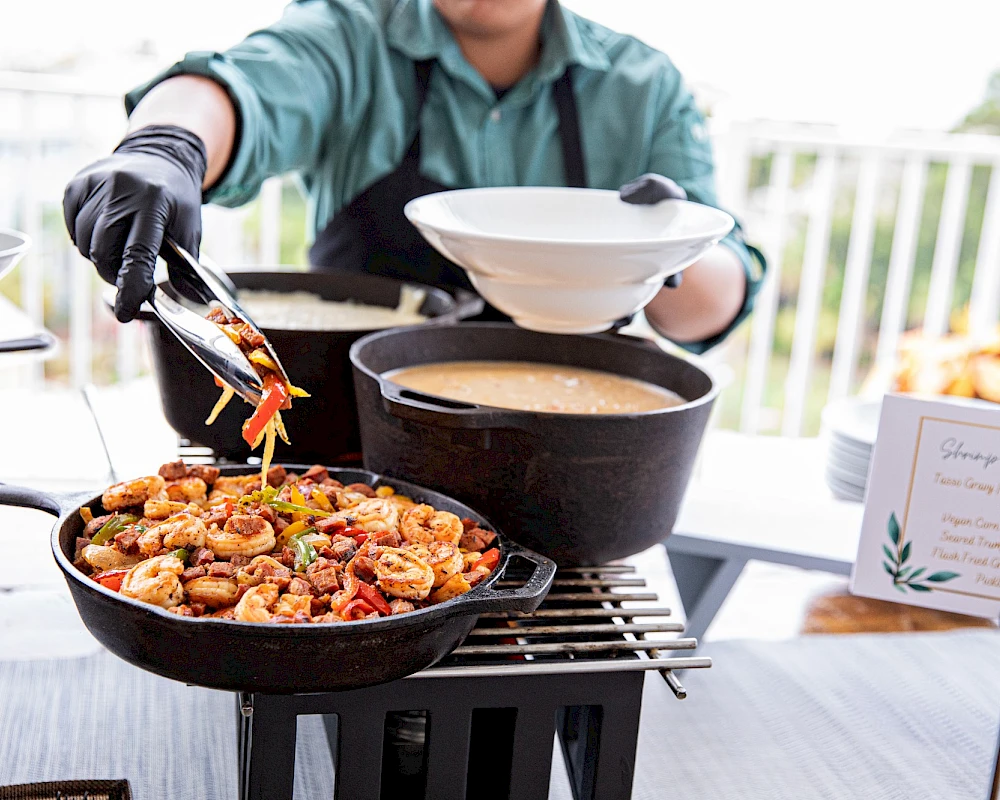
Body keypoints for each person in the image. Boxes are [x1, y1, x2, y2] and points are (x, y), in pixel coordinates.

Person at [63, 0, 764, 352]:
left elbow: (703, 305)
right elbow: (239, 88)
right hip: (348, 455)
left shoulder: (644, 87)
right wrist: (164, 146)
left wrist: (676, 244)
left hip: (567, 454)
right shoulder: (352, 33)